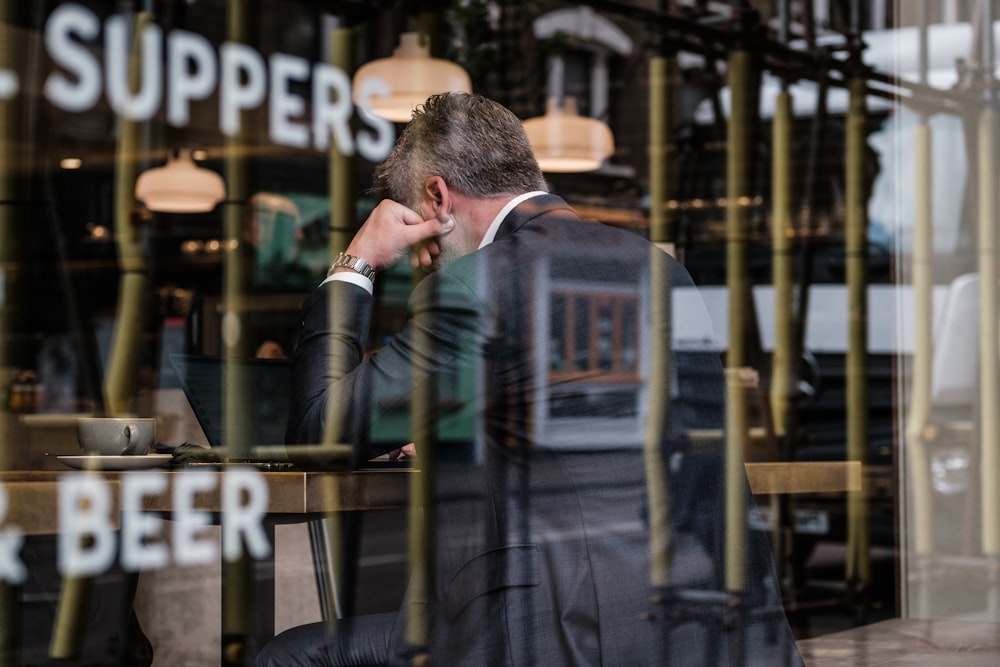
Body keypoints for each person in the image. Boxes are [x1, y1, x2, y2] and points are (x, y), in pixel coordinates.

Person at [259, 92, 803, 666]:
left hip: (560, 636)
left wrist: (358, 261)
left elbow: (321, 430)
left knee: (290, 655)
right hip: (711, 630)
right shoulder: (660, 268)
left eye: (420, 234)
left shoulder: (479, 283)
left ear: (438, 196)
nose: (424, 259)